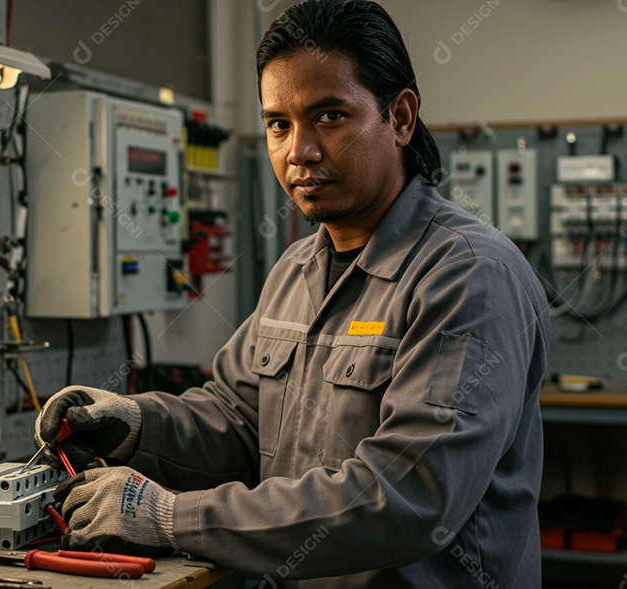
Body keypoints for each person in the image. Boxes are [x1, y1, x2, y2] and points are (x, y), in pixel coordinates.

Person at [36, 0, 550, 586]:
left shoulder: (469, 276)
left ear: (401, 117)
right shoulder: (296, 270)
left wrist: (169, 516)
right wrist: (135, 424)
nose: (298, 151)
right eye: (278, 124)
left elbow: (409, 496)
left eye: (329, 116)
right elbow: (239, 420)